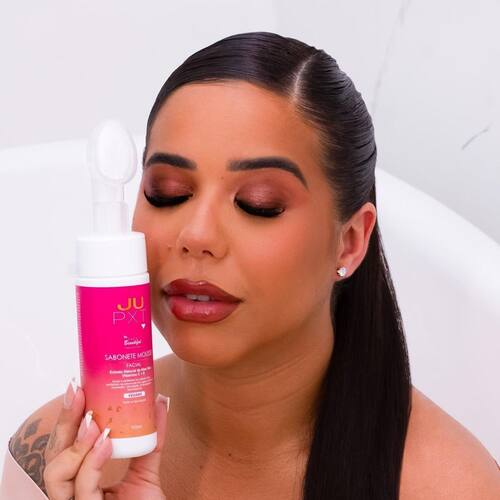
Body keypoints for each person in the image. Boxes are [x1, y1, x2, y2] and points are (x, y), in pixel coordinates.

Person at [2, 31, 499, 499]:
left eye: (259, 204)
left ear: (349, 243)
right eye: (167, 193)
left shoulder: (449, 486)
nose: (196, 235)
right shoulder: (57, 460)